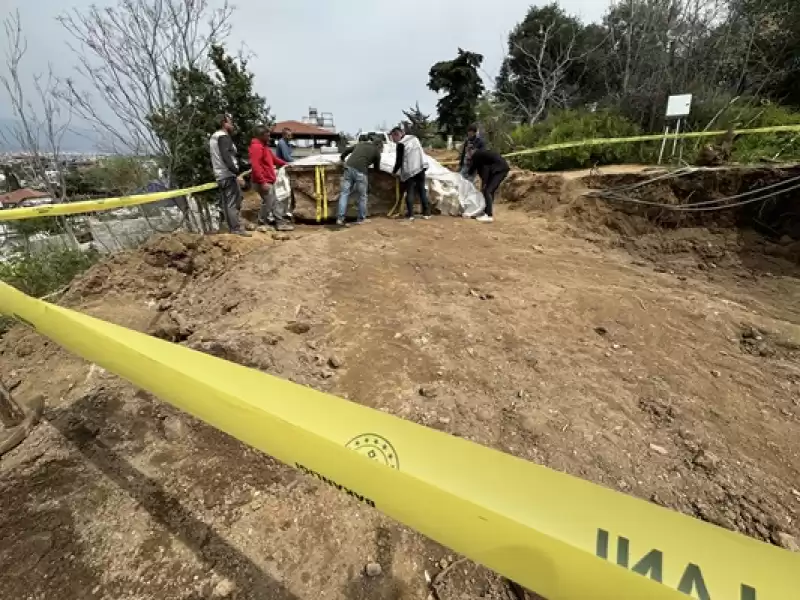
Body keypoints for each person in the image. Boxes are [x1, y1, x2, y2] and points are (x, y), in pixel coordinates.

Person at [209, 113, 250, 237]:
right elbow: (226, 157)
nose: (232, 124)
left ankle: (232, 227)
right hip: (227, 175)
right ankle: (236, 229)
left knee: (227, 204)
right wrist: (237, 173)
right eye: (230, 122)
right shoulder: (223, 137)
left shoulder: (214, 137)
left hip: (220, 175)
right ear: (224, 123)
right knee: (233, 203)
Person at [249, 125, 293, 232]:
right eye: (267, 135)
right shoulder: (256, 147)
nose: (269, 137)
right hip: (263, 181)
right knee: (273, 202)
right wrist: (262, 181)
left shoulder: (264, 147)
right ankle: (278, 223)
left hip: (267, 180)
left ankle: (262, 222)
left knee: (269, 202)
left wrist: (286, 164)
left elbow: (273, 159)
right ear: (261, 136)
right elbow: (256, 166)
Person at [336, 138, 382, 226]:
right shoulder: (377, 152)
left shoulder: (361, 144)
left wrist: (342, 159)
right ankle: (361, 219)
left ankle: (340, 218)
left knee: (344, 193)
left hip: (348, 168)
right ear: (379, 146)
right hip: (361, 172)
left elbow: (347, 150)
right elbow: (377, 169)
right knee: (362, 196)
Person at [390, 127, 431, 221]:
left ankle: (411, 215)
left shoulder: (401, 144)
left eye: (393, 138)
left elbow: (399, 161)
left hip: (410, 170)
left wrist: (394, 172)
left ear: (397, 134)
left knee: (410, 191)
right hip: (421, 167)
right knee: (421, 190)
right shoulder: (414, 138)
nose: (393, 141)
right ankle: (427, 213)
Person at [468, 148, 510, 224]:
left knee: (487, 191)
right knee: (490, 191)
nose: (468, 156)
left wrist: (484, 183)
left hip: (499, 170)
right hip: (500, 168)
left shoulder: (476, 155)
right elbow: (481, 169)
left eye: (468, 153)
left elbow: (473, 170)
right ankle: (486, 212)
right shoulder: (482, 154)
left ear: (471, 151)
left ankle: (488, 215)